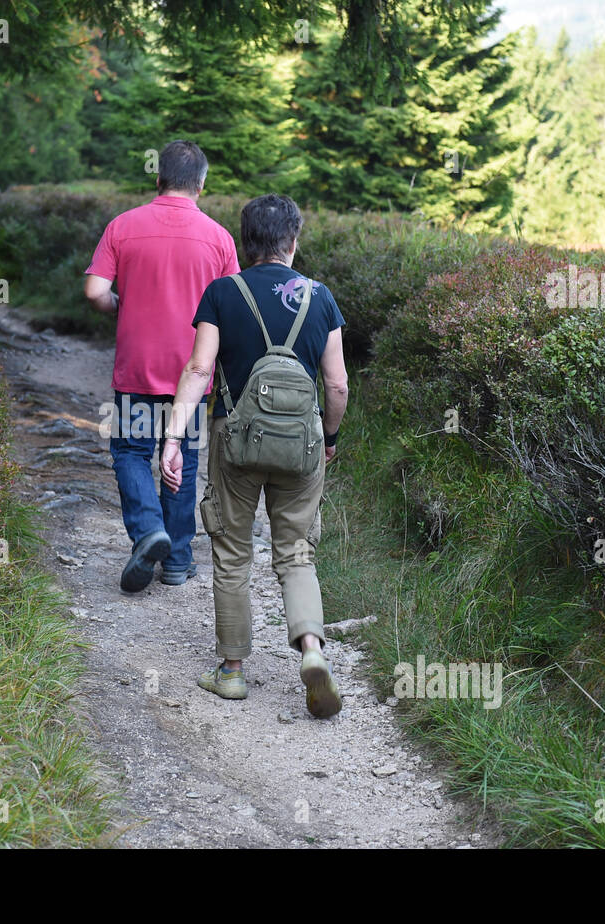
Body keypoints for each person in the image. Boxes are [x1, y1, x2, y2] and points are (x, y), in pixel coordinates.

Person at [159, 194, 350, 719]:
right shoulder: (321, 298)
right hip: (302, 445)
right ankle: (311, 649)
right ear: (294, 241)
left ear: (246, 243)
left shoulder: (222, 293)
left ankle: (232, 672)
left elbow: (199, 372)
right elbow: (336, 384)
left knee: (232, 552)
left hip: (234, 441)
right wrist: (330, 438)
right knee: (295, 554)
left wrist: (173, 437)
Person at [84, 140, 240, 593]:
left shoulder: (123, 226)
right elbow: (230, 307)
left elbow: (95, 291)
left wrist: (120, 304)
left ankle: (149, 529)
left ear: (158, 179)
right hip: (192, 372)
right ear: (202, 184)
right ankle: (176, 560)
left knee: (131, 452)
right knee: (184, 459)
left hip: (138, 367)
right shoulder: (219, 238)